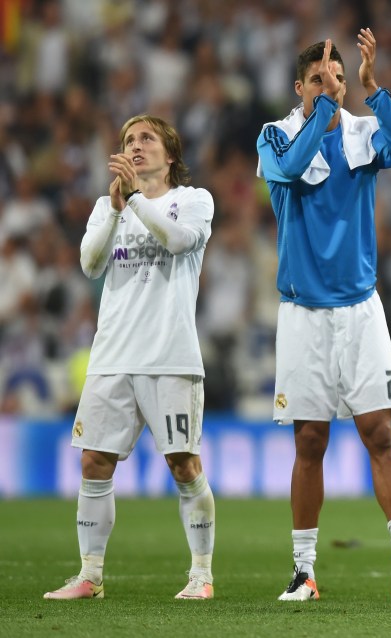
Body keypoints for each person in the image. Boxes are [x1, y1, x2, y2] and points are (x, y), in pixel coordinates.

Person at [255, 30, 391, 602]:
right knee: (309, 440)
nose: (332, 89)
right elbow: (288, 171)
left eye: (337, 80)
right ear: (298, 87)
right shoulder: (275, 136)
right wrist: (327, 105)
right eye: (319, 81)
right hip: (303, 313)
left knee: (379, 432)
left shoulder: (360, 131)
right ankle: (304, 569)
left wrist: (373, 92)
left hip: (360, 309)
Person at [44, 115, 216, 600]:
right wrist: (119, 207)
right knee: (95, 462)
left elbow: (179, 241)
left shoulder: (193, 200)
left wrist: (137, 200)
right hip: (112, 356)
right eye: (127, 141)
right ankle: (89, 576)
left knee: (183, 464)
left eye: (146, 139)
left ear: (171, 153)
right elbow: (90, 263)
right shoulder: (108, 205)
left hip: (170, 356)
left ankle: (200, 574)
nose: (135, 146)